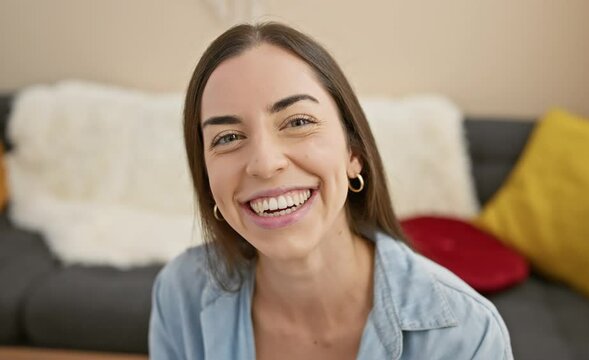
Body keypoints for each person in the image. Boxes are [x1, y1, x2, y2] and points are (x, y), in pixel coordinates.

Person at [149, 22, 513, 360]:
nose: (264, 162)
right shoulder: (180, 294)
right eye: (227, 137)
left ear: (353, 154)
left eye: (298, 122)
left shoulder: (467, 335)